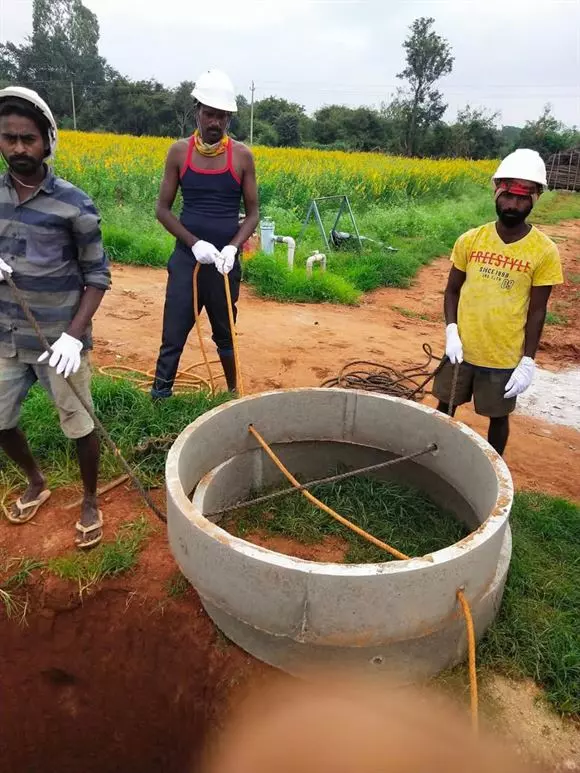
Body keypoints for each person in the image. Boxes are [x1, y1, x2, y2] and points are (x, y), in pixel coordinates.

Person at [0, 87, 111, 548]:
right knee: (0, 421)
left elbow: (97, 275)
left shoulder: (74, 204)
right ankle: (36, 480)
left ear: (48, 140)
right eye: (8, 138)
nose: (18, 149)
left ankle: (89, 499)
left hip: (59, 343)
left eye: (28, 138)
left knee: (79, 425)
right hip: (6, 337)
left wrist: (72, 335)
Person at [433, 149, 563, 455]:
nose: (513, 205)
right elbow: (452, 291)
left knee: (498, 417)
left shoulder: (544, 251)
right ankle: (433, 458)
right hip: (462, 350)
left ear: (535, 200)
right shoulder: (471, 240)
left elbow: (537, 311)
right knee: (444, 405)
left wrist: (528, 361)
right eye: (508, 196)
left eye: (522, 198)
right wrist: (451, 331)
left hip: (503, 356)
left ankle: (494, 470)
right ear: (496, 193)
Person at [151, 69, 259, 398]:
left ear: (229, 119)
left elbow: (253, 213)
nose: (215, 123)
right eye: (209, 114)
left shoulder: (241, 156)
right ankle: (159, 397)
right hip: (188, 260)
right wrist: (194, 243)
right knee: (174, 331)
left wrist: (232, 248)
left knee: (225, 332)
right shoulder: (179, 153)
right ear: (197, 110)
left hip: (224, 265)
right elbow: (163, 210)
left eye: (222, 117)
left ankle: (230, 394)